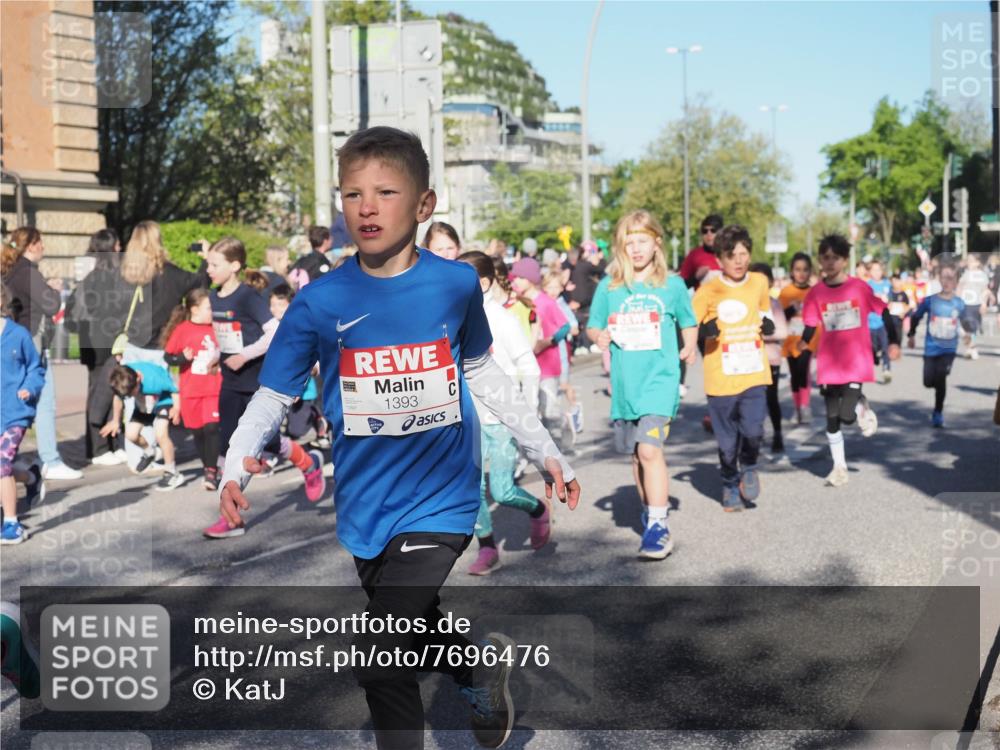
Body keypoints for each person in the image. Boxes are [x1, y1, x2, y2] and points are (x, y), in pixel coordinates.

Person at [217, 126, 580, 750]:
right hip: (366, 505)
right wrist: (233, 468)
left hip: (441, 498)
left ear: (424, 204)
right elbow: (275, 393)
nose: (366, 206)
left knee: (382, 654)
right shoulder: (320, 301)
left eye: (386, 191)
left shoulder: (455, 284)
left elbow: (480, 369)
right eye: (352, 193)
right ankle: (479, 671)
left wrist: (542, 448)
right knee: (410, 627)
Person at [588, 209, 697, 555]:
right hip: (625, 387)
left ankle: (658, 526)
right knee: (637, 456)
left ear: (656, 243)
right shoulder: (610, 287)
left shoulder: (673, 285)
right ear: (621, 246)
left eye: (642, 241)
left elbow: (688, 321)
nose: (636, 249)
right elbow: (593, 324)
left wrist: (690, 344)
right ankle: (649, 510)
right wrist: (599, 336)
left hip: (660, 383)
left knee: (649, 450)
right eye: (629, 242)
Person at [202, 238, 325, 538]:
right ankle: (231, 517)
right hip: (230, 381)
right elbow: (227, 338)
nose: (208, 270)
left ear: (234, 266)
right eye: (207, 264)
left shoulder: (248, 297)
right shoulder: (215, 297)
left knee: (262, 442)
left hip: (257, 379)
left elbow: (273, 333)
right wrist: (220, 356)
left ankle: (305, 461)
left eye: (214, 264)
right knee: (231, 442)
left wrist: (245, 355)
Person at [457, 251, 549, 576]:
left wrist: (526, 413)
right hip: (469, 420)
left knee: (502, 490)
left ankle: (537, 509)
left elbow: (529, 366)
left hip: (501, 420)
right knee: (471, 489)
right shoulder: (455, 319)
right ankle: (487, 548)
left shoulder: (502, 319)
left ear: (482, 283)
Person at [798, 234, 900, 487]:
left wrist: (894, 340)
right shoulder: (816, 293)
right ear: (820, 260)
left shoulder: (858, 287)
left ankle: (860, 407)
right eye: (825, 258)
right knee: (832, 418)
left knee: (846, 416)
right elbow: (811, 324)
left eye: (835, 258)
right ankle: (839, 467)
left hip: (856, 360)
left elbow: (883, 310)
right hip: (830, 362)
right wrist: (803, 343)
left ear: (844, 260)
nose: (830, 262)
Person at [692, 225, 773, 512]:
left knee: (753, 431)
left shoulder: (760, 281)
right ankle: (729, 483)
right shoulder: (709, 288)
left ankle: (749, 464)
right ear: (720, 259)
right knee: (727, 444)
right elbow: (689, 324)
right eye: (731, 255)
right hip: (721, 377)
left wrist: (768, 322)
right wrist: (705, 330)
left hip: (753, 372)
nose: (739, 260)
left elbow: (764, 310)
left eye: (743, 253)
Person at [118, 220, 207, 469]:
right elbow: (199, 283)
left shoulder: (125, 274)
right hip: (159, 345)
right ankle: (157, 450)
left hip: (131, 345)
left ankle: (138, 454)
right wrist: (204, 258)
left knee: (132, 400)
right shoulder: (171, 274)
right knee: (157, 400)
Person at [1, 227, 81, 480]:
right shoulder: (28, 272)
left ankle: (15, 457)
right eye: (41, 242)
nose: (44, 247)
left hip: (12, 342)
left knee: (17, 398)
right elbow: (52, 304)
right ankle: (50, 459)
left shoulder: (10, 271)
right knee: (45, 400)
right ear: (31, 245)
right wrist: (53, 289)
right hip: (31, 342)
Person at [67, 228, 129, 464]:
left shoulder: (88, 274)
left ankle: (108, 443)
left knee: (106, 389)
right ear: (112, 247)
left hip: (93, 342)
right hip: (104, 341)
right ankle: (100, 448)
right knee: (103, 391)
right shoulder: (111, 276)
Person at [162, 289, 224, 490]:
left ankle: (211, 471)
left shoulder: (217, 327)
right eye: (209, 307)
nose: (213, 311)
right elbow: (168, 356)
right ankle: (209, 465)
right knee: (198, 432)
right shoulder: (182, 330)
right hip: (190, 390)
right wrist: (182, 359)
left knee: (212, 428)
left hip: (214, 387)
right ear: (195, 309)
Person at [509, 256, 572, 448]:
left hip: (547, 364)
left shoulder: (546, 302)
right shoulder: (517, 303)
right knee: (530, 409)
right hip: (526, 368)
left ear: (530, 278)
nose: (515, 281)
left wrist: (547, 342)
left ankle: (560, 440)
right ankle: (540, 448)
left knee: (549, 409)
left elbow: (565, 326)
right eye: (514, 278)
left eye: (520, 277)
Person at [1, 284, 47, 544]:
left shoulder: (18, 335)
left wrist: (29, 388)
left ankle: (11, 524)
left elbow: (35, 369)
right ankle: (31, 477)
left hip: (14, 412)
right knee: (3, 466)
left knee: (1, 463)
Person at [268, 284, 330, 451]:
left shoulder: (301, 325)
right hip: (281, 384)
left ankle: (318, 419)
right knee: (290, 425)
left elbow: (314, 348)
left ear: (291, 304)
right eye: (272, 305)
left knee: (297, 428)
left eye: (280, 304)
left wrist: (314, 367)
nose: (275, 309)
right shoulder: (269, 326)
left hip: (304, 385)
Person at [108, 362, 183, 490]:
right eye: (128, 395)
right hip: (144, 403)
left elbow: (175, 389)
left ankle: (172, 472)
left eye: (131, 393)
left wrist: (176, 409)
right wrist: (115, 420)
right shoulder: (124, 379)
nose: (129, 396)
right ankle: (150, 452)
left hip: (163, 401)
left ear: (138, 377)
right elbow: (118, 399)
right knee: (130, 435)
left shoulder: (155, 380)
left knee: (161, 435)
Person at [907, 263, 965, 427]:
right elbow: (916, 317)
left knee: (941, 377)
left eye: (951, 278)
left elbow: (967, 322)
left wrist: (968, 335)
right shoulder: (930, 301)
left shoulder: (959, 303)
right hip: (931, 348)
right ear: (939, 279)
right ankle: (937, 390)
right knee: (928, 382)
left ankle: (937, 412)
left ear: (956, 281)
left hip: (949, 349)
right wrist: (911, 334)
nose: (947, 282)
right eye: (944, 278)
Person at [750, 263, 789, 453]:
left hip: (770, 358)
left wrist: (761, 333)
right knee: (752, 400)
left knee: (771, 398)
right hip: (748, 359)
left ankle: (778, 433)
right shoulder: (745, 303)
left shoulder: (774, 304)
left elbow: (782, 332)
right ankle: (755, 434)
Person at [779, 252, 817, 424]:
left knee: (804, 370)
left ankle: (805, 406)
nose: (801, 273)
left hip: (808, 340)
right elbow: (779, 317)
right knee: (794, 374)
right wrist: (791, 309)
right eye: (797, 269)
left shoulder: (814, 292)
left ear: (810, 272)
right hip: (790, 339)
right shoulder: (786, 292)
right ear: (792, 271)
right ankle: (797, 408)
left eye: (805, 269)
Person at [957, 253, 992, 359]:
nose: (969, 263)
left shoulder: (982, 275)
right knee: (964, 327)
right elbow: (959, 287)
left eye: (972, 261)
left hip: (977, 304)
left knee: (973, 327)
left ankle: (971, 349)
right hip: (965, 303)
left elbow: (986, 290)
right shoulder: (965, 274)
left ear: (978, 263)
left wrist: (984, 304)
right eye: (968, 260)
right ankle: (971, 347)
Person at [679, 214, 723, 290]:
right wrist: (695, 278)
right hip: (703, 300)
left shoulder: (730, 254)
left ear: (721, 232)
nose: (709, 234)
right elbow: (680, 287)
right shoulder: (694, 255)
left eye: (713, 230)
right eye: (705, 231)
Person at [866, 260, 893, 383]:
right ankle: (874, 357)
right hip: (869, 323)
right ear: (869, 272)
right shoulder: (867, 285)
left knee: (885, 346)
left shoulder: (887, 284)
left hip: (883, 322)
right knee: (872, 348)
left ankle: (886, 369)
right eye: (874, 270)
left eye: (879, 270)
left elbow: (891, 301)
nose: (877, 272)